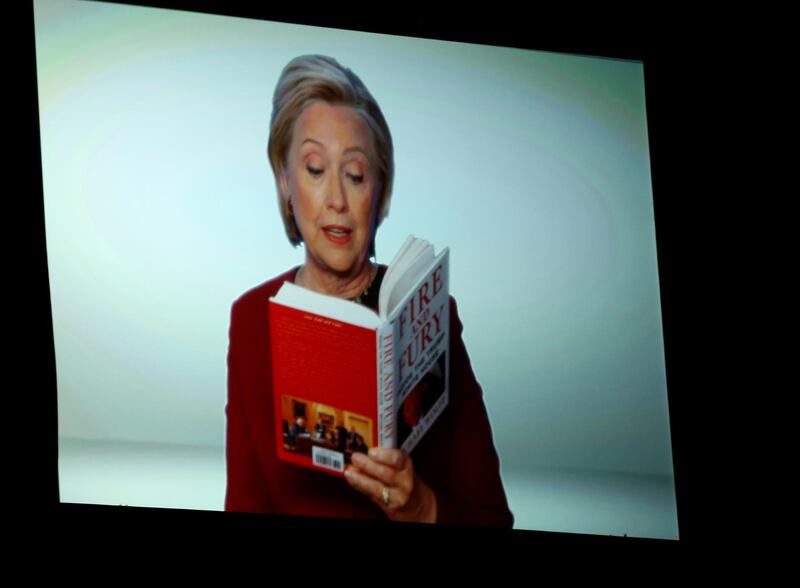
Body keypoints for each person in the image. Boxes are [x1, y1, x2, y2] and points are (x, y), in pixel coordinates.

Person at [225, 54, 513, 527]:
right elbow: (243, 503)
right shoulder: (252, 318)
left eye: (356, 175)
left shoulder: (430, 313)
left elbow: (493, 519)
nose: (337, 200)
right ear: (285, 182)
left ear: (379, 192)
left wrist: (420, 508)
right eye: (315, 169)